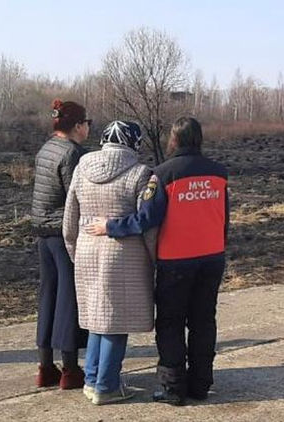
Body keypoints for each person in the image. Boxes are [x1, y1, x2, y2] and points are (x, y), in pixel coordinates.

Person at [87, 117, 229, 405]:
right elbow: (225, 217)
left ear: (173, 140)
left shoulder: (163, 174)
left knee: (171, 324)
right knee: (203, 322)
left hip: (175, 261)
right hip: (212, 258)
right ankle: (201, 383)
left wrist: (110, 226)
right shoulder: (219, 172)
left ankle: (172, 387)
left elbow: (146, 219)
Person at [63, 121, 156, 405]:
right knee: (116, 321)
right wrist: (155, 259)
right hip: (124, 255)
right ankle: (107, 386)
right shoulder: (140, 173)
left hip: (87, 249)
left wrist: (75, 253)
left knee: (96, 318)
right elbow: (147, 225)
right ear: (134, 143)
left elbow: (69, 220)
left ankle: (92, 380)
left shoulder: (81, 167)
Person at [30, 99, 89, 389]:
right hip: (62, 232)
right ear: (77, 126)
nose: (88, 128)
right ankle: (70, 368)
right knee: (68, 297)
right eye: (86, 123)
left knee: (48, 295)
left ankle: (45, 366)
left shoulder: (46, 148)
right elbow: (75, 196)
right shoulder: (73, 154)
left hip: (42, 230)